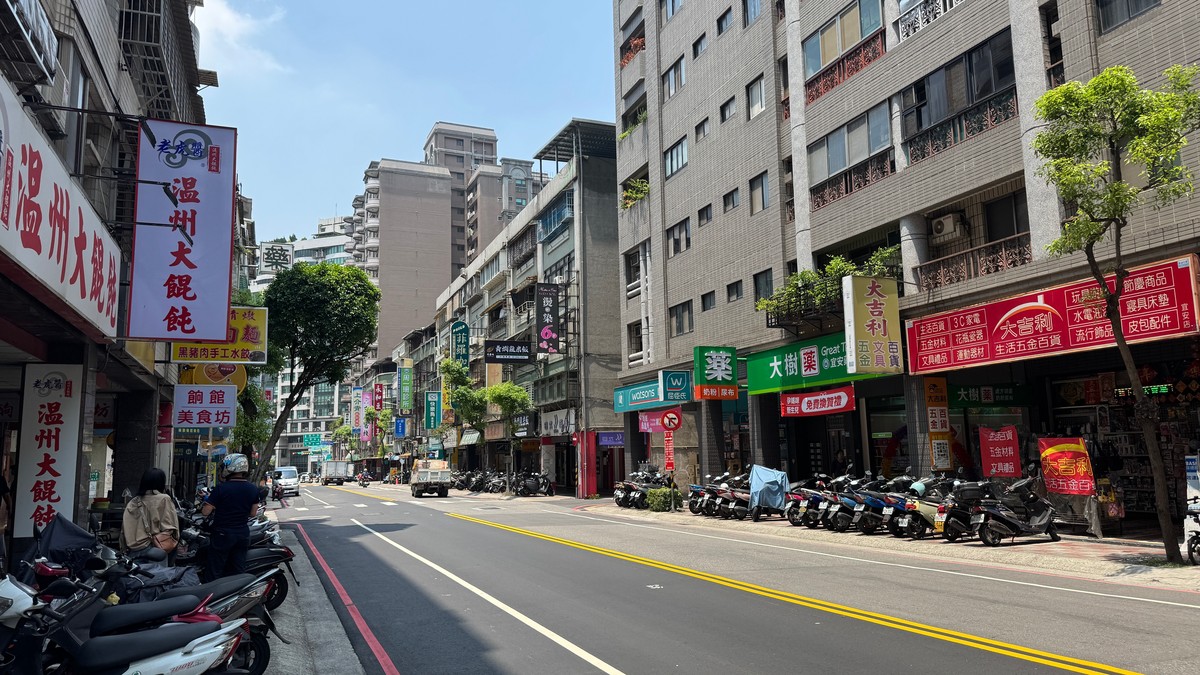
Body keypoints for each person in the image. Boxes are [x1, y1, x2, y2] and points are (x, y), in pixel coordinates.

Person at [201, 453, 260, 580]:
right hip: (243, 534)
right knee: (237, 570)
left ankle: (213, 591)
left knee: (215, 571)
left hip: (222, 534)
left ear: (230, 468)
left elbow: (205, 512)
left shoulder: (221, 488)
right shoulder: (253, 489)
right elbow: (253, 513)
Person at [121, 467, 180, 556]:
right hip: (155, 549)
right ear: (161, 483)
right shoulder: (164, 499)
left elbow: (123, 530)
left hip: (133, 551)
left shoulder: (133, 502)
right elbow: (170, 527)